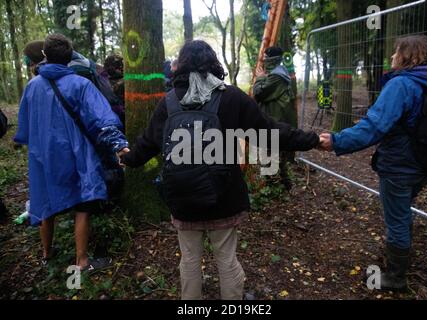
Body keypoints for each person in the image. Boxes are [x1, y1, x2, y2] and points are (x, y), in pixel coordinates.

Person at [119, 40, 320, 300]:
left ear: (180, 65)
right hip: (223, 197)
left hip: (183, 198)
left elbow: (147, 143)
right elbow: (268, 132)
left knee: (189, 262)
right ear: (213, 63)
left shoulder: (167, 103)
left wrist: (128, 158)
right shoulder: (231, 98)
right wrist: (312, 140)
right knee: (227, 260)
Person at [319, 35, 427, 291]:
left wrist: (336, 141)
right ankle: (398, 252)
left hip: (400, 166)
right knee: (402, 212)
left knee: (397, 219)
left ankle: (395, 277)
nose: (391, 57)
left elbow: (374, 126)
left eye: (395, 53)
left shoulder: (402, 84)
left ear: (406, 56)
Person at [14, 34, 129, 270]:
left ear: (45, 56)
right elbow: (103, 118)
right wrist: (119, 145)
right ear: (70, 57)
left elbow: (24, 125)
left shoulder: (32, 87)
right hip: (77, 154)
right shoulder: (80, 84)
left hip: (43, 155)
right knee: (83, 204)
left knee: (45, 201)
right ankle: (82, 260)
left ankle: (46, 254)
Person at [253, 46, 297, 190]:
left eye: (265, 57)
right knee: (277, 152)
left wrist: (259, 79)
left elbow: (259, 93)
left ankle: (272, 187)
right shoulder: (280, 73)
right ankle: (281, 184)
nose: (263, 60)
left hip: (275, 118)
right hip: (277, 118)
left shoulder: (276, 76)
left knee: (270, 152)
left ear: (270, 59)